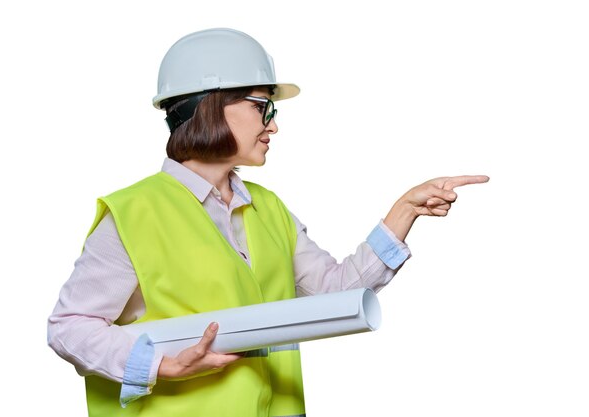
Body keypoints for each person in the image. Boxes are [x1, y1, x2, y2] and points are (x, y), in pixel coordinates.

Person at [47, 28, 489, 417]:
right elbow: (69, 326)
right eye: (264, 107)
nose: (273, 126)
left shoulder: (268, 208)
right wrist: (160, 366)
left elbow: (335, 295)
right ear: (212, 107)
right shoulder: (135, 212)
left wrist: (404, 211)